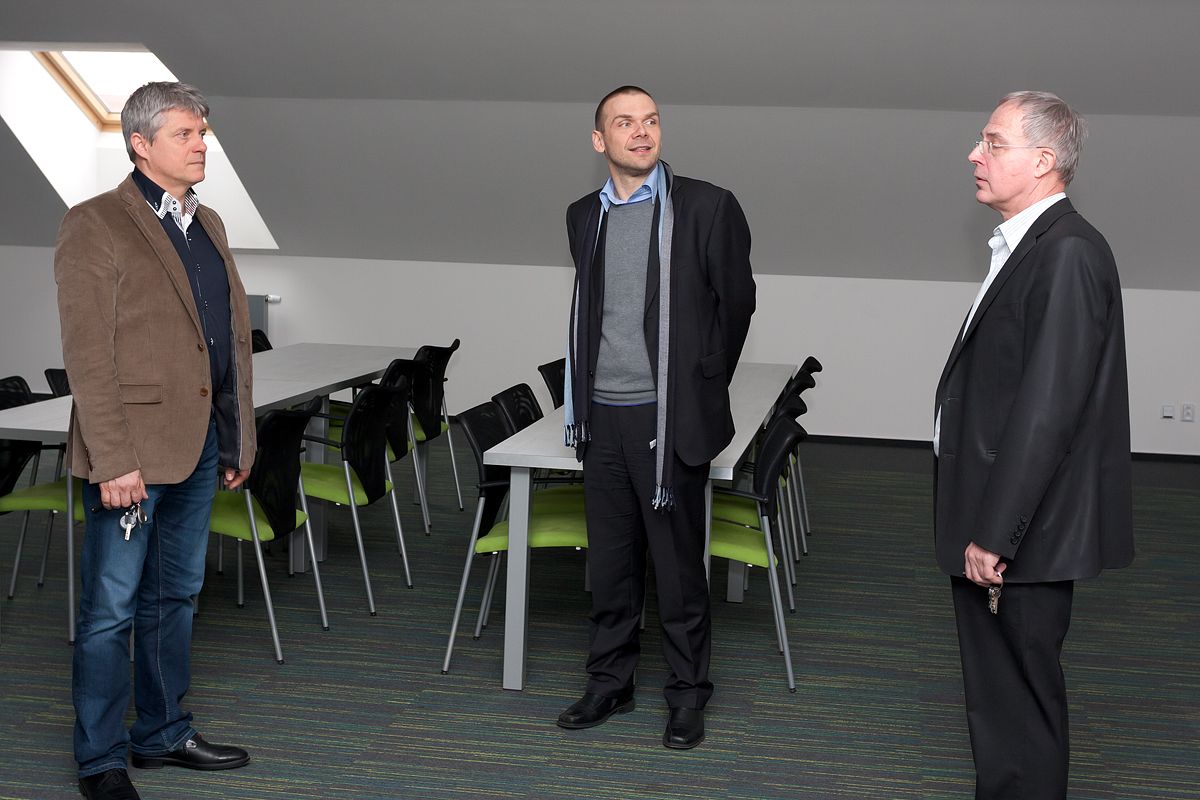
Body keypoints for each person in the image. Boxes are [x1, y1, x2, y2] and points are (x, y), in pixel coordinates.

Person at [56, 82, 257, 800]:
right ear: (141, 144)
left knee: (175, 598)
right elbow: (88, 356)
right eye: (185, 134)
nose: (201, 145)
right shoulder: (95, 224)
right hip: (131, 458)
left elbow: (225, 339)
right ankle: (100, 761)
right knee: (110, 611)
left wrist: (235, 438)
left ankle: (163, 732)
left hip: (197, 447)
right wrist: (113, 460)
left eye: (202, 132)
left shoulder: (208, 222)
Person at [933, 91, 1134, 799]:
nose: (975, 154)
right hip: (1007, 519)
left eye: (993, 142)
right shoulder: (1031, 245)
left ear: (1044, 160)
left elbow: (1049, 412)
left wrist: (995, 534)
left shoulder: (1067, 253)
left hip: (1023, 531)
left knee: (1020, 703)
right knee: (1001, 701)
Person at [557, 85, 756, 749]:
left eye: (650, 121)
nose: (641, 132)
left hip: (668, 421)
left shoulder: (707, 206)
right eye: (624, 122)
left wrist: (699, 382)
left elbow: (737, 305)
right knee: (611, 568)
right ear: (600, 140)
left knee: (676, 572)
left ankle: (687, 695)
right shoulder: (583, 216)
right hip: (600, 418)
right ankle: (609, 683)